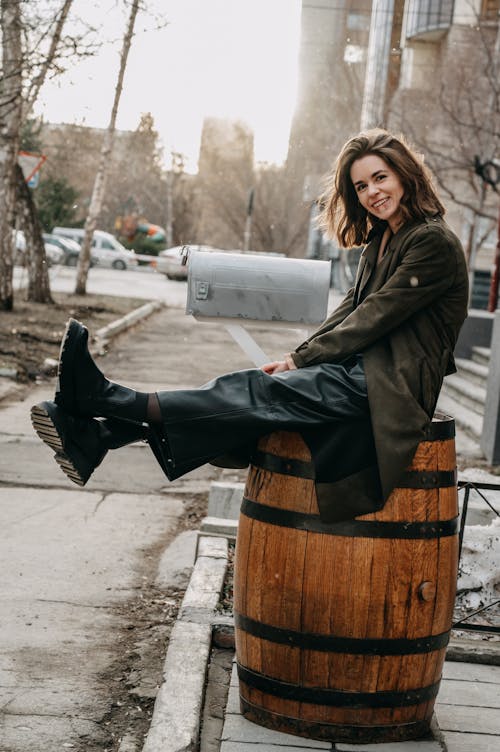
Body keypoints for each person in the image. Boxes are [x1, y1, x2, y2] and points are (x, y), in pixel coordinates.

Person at [31, 129, 469, 523]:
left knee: (255, 394)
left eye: (380, 178)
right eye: (361, 186)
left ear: (405, 175)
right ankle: (99, 435)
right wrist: (297, 357)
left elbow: (376, 316)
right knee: (248, 397)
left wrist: (303, 359)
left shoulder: (432, 242)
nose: (372, 192)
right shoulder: (384, 238)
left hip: (391, 388)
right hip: (359, 373)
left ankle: (108, 402)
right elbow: (350, 311)